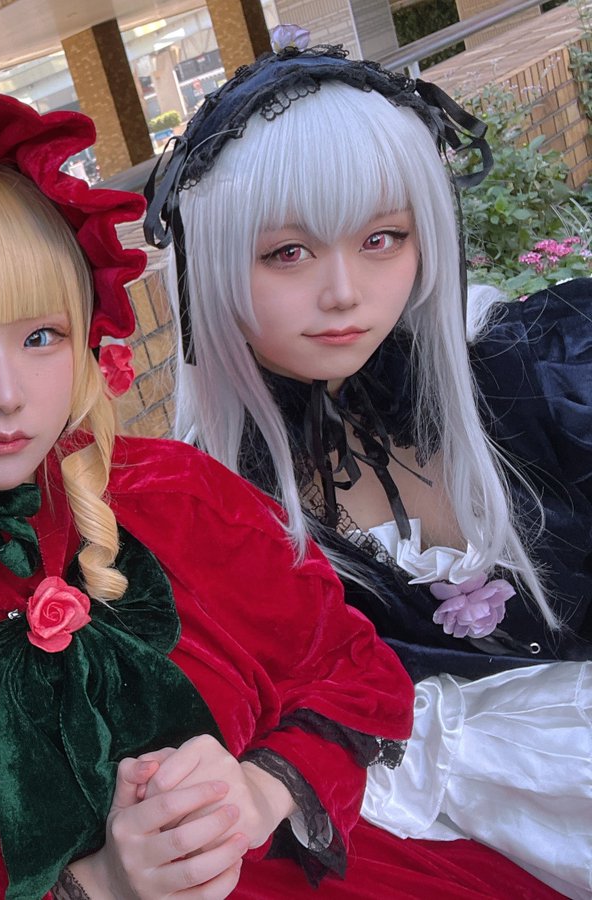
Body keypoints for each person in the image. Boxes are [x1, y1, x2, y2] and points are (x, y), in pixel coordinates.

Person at [0, 74, 560, 899]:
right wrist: (101, 885)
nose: (7, 394)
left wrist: (261, 790)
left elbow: (348, 668)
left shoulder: (175, 498)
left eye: (42, 336)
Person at [145, 44, 591, 897]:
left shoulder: (541, 374)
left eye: (383, 239)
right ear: (212, 268)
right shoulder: (212, 513)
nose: (345, 292)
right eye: (287, 253)